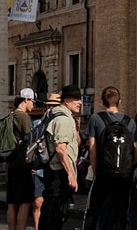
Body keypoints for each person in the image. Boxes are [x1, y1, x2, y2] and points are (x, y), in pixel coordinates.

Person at [84, 86, 137, 230]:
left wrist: (95, 171)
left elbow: (93, 148)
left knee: (95, 209)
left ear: (102, 101)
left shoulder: (95, 118)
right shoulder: (129, 122)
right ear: (119, 101)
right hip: (124, 175)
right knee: (121, 211)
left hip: (103, 172)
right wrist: (130, 166)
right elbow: (136, 148)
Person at [40, 85, 83, 230]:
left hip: (53, 170)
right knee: (56, 213)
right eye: (76, 99)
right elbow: (60, 148)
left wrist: (76, 129)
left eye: (80, 98)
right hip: (59, 171)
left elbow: (76, 143)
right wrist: (71, 174)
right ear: (66, 100)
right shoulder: (63, 119)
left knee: (50, 211)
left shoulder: (52, 114)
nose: (80, 102)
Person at [5, 90, 37, 230]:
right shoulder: (24, 118)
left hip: (11, 164)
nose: (34, 105)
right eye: (33, 101)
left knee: (12, 202)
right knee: (25, 201)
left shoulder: (10, 116)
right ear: (26, 100)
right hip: (22, 164)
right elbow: (30, 142)